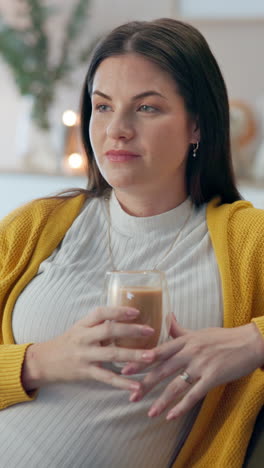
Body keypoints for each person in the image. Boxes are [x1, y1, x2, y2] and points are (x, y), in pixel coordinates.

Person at [0, 18, 264, 468]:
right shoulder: (35, 226)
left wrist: (255, 340)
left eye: (146, 108)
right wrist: (38, 362)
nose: (116, 129)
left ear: (196, 126)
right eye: (102, 107)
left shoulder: (247, 241)